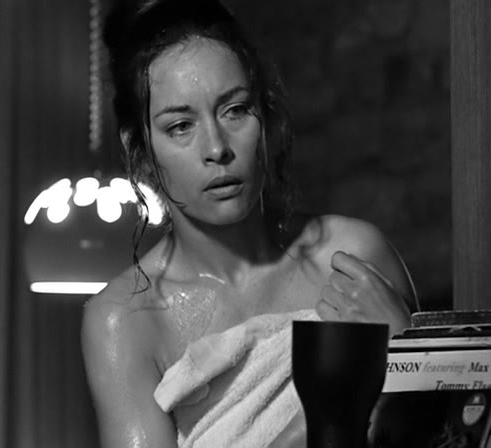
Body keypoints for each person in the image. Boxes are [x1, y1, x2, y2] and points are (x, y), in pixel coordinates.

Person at [81, 0, 414, 446]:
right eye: (180, 126)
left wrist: (411, 353)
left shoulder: (352, 258)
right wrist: (321, 419)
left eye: (235, 110)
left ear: (266, 116)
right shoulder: (126, 318)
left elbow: (446, 430)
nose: (216, 148)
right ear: (139, 151)